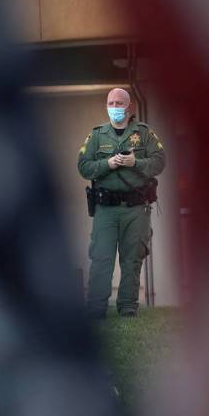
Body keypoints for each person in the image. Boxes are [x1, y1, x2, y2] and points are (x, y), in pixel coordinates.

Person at [78, 87, 166, 319]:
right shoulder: (97, 135)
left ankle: (128, 307)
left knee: (132, 258)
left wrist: (135, 162)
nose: (115, 107)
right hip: (105, 208)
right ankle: (96, 308)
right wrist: (109, 164)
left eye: (119, 103)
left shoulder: (144, 133)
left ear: (129, 108)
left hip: (136, 207)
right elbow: (83, 166)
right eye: (111, 103)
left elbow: (159, 162)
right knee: (101, 258)